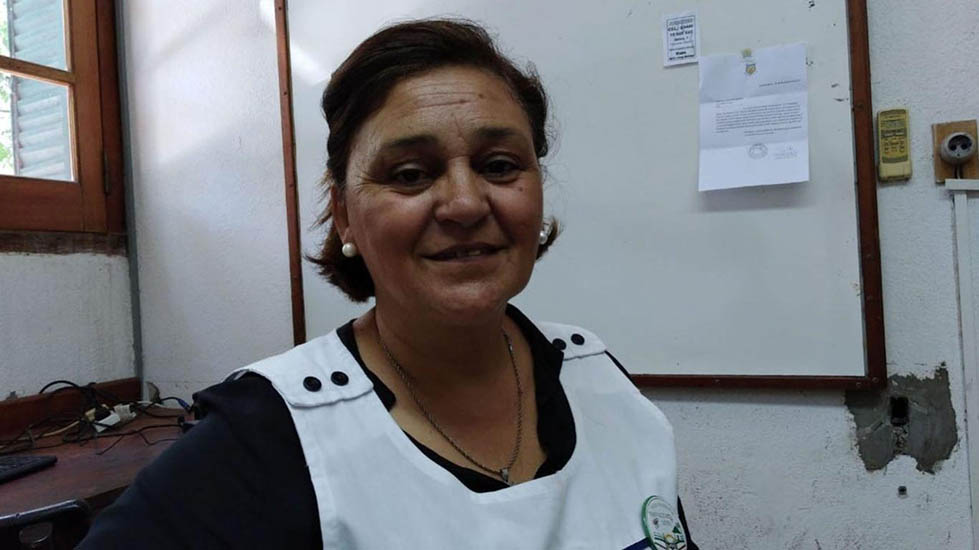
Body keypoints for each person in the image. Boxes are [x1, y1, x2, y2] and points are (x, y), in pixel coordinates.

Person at [80, 19, 698, 550]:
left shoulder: (599, 379)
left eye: (499, 165)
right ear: (344, 215)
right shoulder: (266, 437)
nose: (464, 203)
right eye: (408, 174)